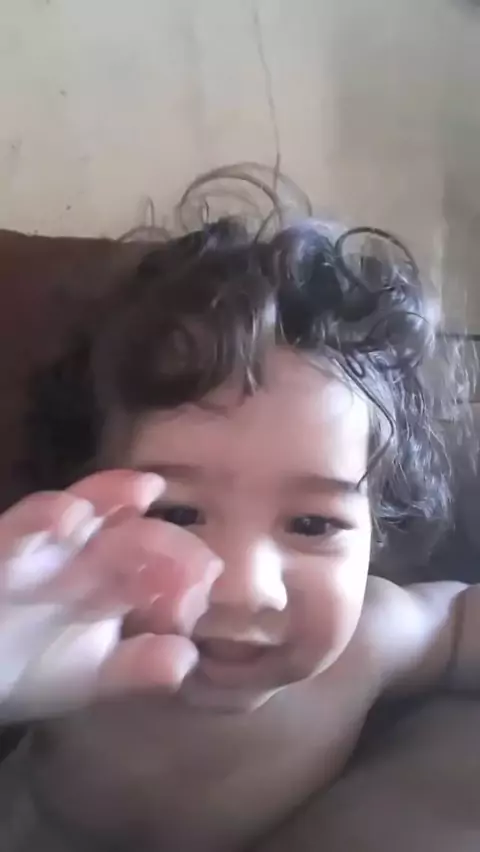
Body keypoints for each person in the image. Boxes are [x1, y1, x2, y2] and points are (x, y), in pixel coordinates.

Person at [0, 205, 477, 851]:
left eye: (312, 523)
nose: (244, 590)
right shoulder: (59, 640)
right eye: (177, 514)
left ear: (377, 528)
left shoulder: (372, 641)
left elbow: (459, 620)